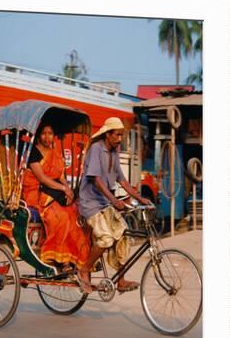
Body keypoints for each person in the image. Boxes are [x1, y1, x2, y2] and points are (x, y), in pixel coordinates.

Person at [77, 117, 151, 293]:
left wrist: (141, 199)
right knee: (106, 238)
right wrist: (114, 200)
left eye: (121, 135)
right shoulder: (96, 149)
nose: (120, 138)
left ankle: (121, 280)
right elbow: (96, 180)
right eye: (117, 135)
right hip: (90, 203)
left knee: (123, 235)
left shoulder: (114, 152)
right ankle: (84, 269)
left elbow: (122, 180)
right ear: (107, 134)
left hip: (104, 202)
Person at [22, 122, 90, 271]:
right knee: (61, 217)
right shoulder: (33, 152)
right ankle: (58, 259)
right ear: (39, 136)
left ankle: (73, 258)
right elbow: (42, 178)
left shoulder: (55, 152)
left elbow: (60, 176)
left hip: (53, 192)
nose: (47, 137)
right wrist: (64, 189)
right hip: (37, 193)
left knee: (74, 214)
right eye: (44, 133)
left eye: (50, 133)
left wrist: (69, 190)